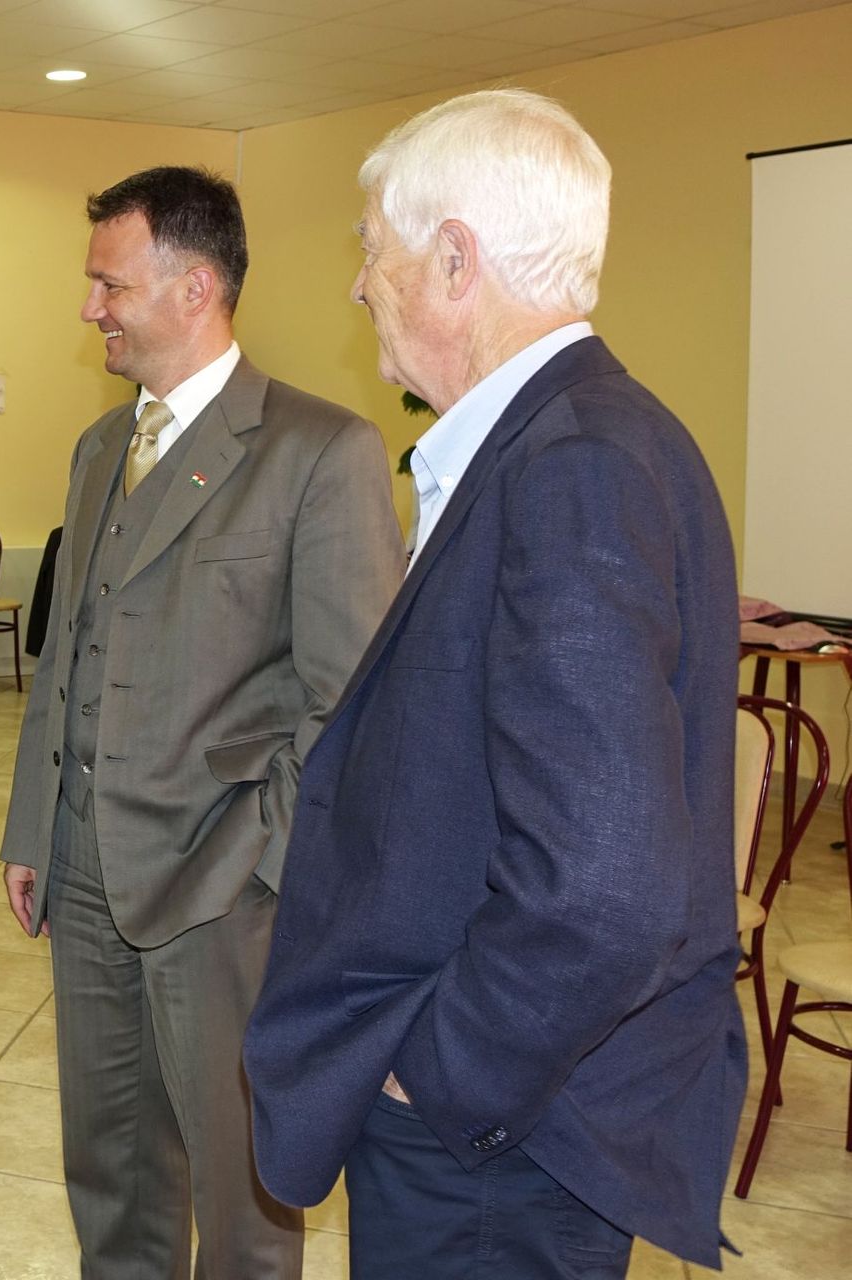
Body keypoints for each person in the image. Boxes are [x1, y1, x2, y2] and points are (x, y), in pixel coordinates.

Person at [245, 89, 744, 1277]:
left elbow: (604, 887)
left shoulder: (574, 463)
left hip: (502, 1140)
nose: (359, 284)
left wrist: (434, 1075)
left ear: (454, 260)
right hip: (510, 1125)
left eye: (373, 249)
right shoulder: (577, 435)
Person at [0, 166, 401, 1279]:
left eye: (109, 285)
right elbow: (63, 655)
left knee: (242, 1196)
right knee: (112, 1175)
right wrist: (34, 828)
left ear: (195, 288)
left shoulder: (318, 451)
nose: (89, 307)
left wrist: (264, 861)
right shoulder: (98, 451)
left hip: (224, 889)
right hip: (86, 873)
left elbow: (350, 701)